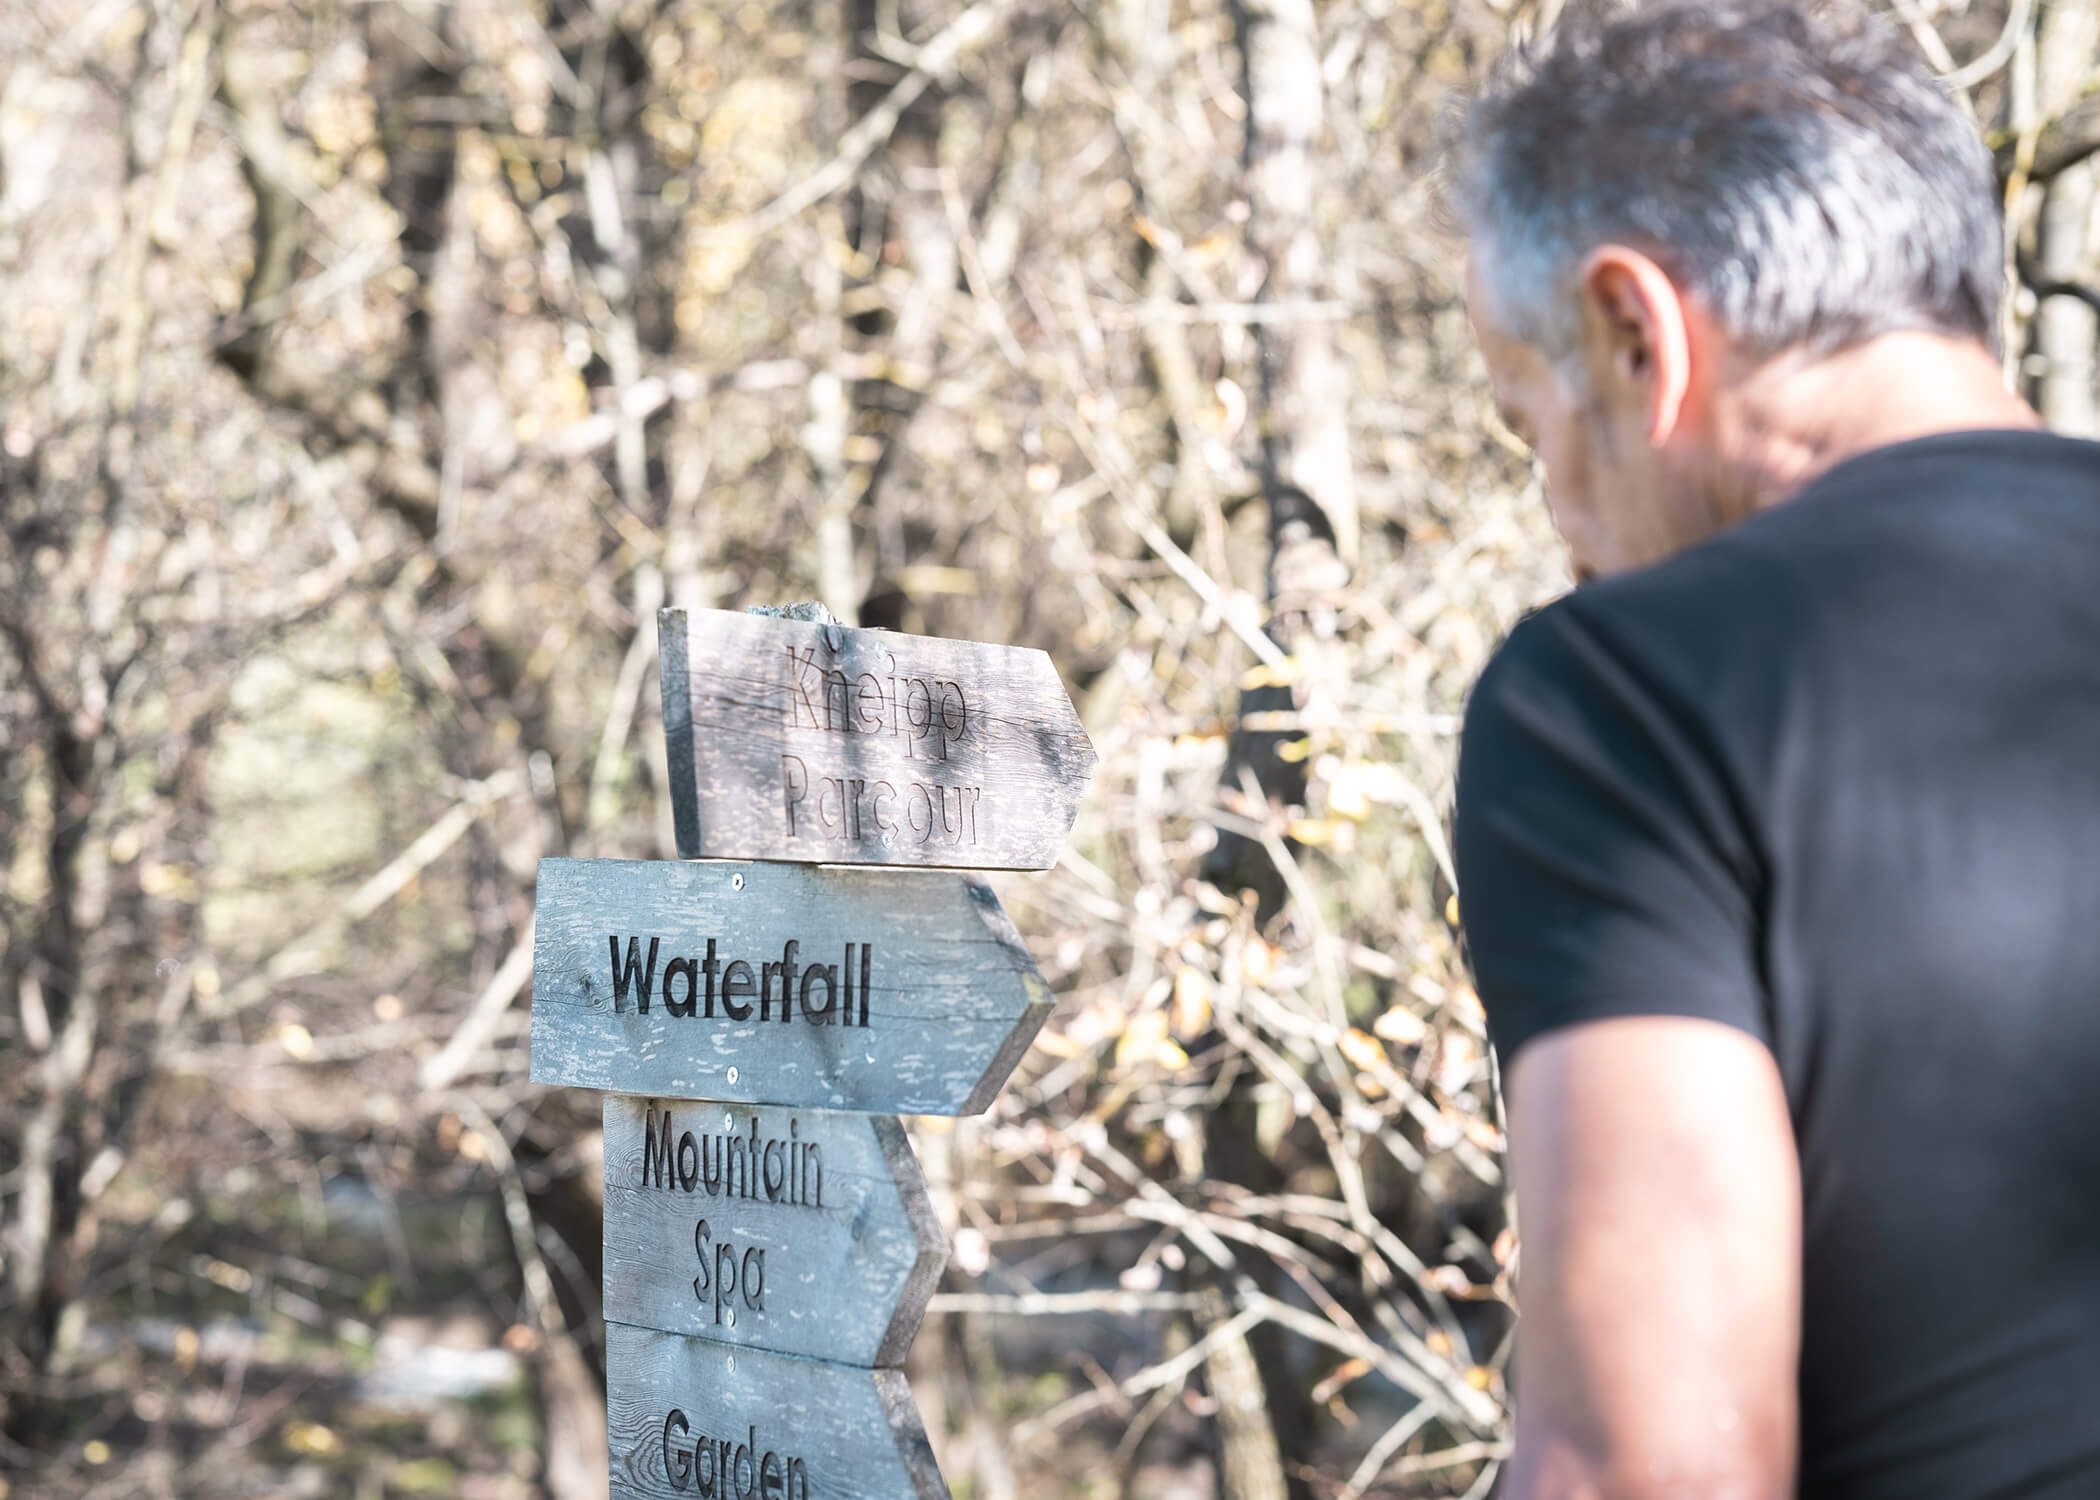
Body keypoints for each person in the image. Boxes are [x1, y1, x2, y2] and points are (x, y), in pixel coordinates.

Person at [1444, 3, 2100, 1496]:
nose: (1560, 517)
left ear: (1636, 333)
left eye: (1528, 425)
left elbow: (1649, 1467)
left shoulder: (1622, 702)